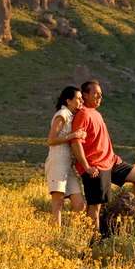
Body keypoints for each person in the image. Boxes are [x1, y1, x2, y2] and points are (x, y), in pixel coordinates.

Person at [70, 79, 135, 232]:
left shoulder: (96, 114)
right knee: (95, 205)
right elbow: (75, 142)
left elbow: (100, 139)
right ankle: (93, 240)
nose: (100, 97)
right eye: (96, 94)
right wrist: (86, 167)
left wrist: (112, 154)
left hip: (110, 161)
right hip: (95, 166)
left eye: (101, 94)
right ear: (85, 95)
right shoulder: (83, 115)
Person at [45, 86, 87, 226]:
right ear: (69, 101)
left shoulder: (73, 115)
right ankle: (55, 237)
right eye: (78, 98)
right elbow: (51, 140)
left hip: (68, 164)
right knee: (58, 203)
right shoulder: (62, 114)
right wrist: (74, 136)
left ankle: (76, 236)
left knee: (80, 204)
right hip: (58, 160)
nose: (82, 101)